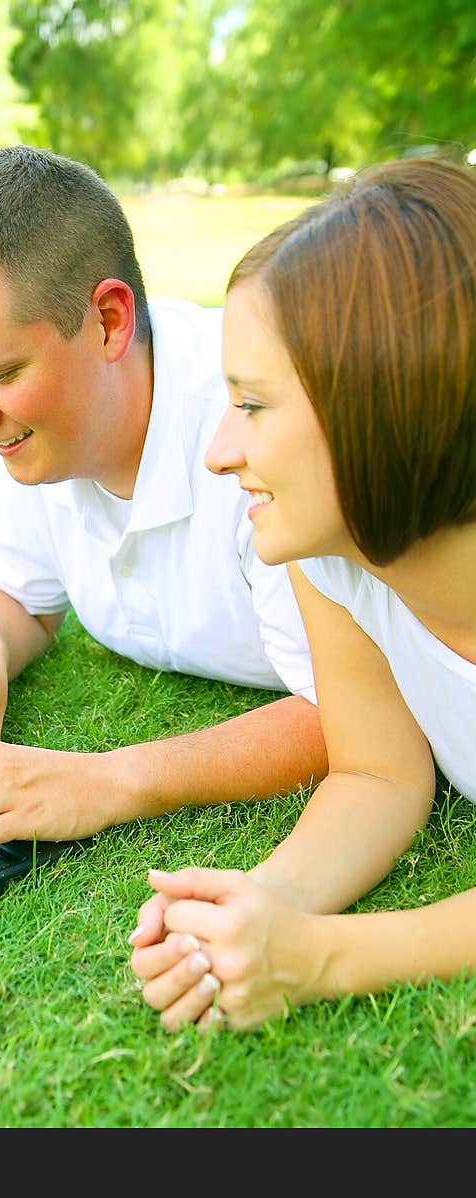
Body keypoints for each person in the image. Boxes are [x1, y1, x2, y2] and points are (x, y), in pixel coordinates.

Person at [0, 144, 327, 868]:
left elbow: (353, 714)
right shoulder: (44, 429)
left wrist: (112, 780)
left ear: (109, 321)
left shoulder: (255, 427)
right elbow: (6, 590)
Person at [129, 156, 476, 1033]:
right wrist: (261, 905)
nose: (216, 451)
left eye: (251, 404)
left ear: (380, 404)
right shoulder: (331, 556)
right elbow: (378, 770)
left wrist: (317, 960)